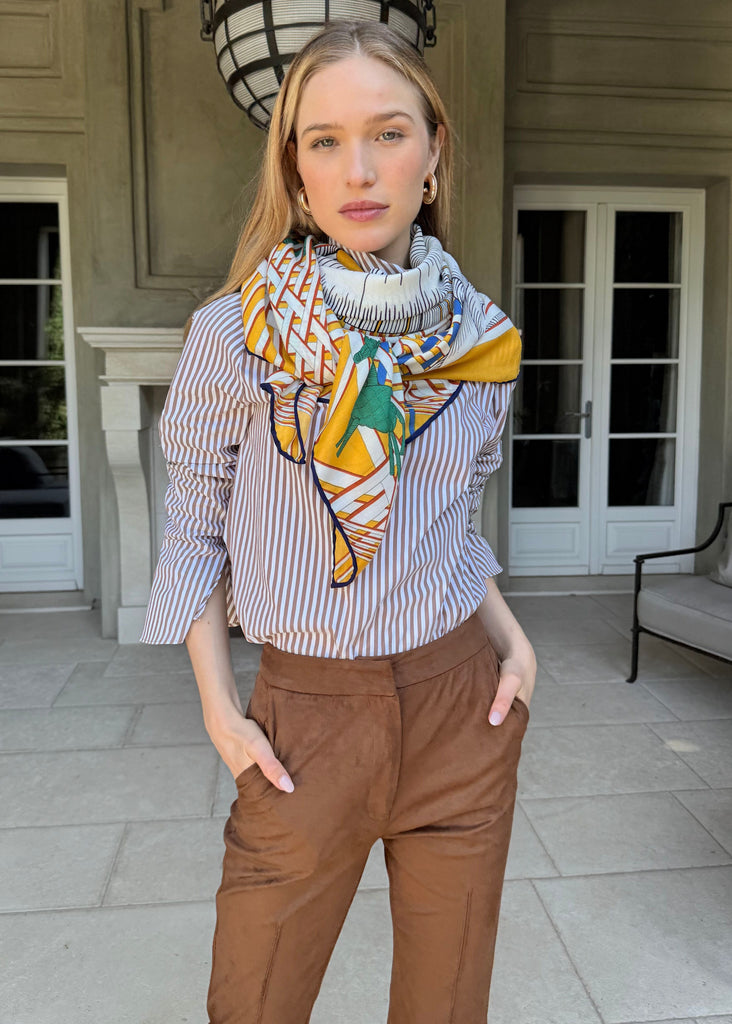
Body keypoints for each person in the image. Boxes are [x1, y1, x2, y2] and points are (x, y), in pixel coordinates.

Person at [140, 19, 536, 1024]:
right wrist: (221, 712)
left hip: (462, 709)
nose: (358, 168)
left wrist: (511, 640)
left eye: (388, 132)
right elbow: (194, 529)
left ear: (435, 152)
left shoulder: (482, 340)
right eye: (324, 140)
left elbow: (457, 520)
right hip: (306, 721)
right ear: (296, 168)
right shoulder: (232, 337)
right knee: (255, 1001)